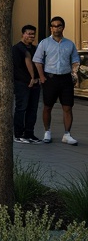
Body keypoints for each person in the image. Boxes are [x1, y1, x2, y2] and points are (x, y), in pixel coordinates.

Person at [33, 16, 80, 145]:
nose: (56, 28)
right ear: (50, 28)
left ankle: (67, 135)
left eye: (59, 26)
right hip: (50, 78)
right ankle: (47, 132)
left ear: (63, 27)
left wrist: (74, 74)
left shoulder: (69, 44)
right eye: (53, 26)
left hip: (65, 79)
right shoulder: (44, 43)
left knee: (68, 107)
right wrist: (42, 77)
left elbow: (75, 60)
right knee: (47, 107)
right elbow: (37, 61)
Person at [12, 24, 41, 143]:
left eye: (33, 34)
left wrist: (37, 78)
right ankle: (18, 134)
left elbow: (38, 64)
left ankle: (29, 133)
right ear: (23, 34)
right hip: (22, 84)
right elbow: (17, 68)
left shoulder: (34, 49)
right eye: (28, 33)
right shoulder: (17, 48)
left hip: (35, 84)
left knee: (32, 109)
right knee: (21, 108)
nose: (31, 36)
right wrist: (29, 79)